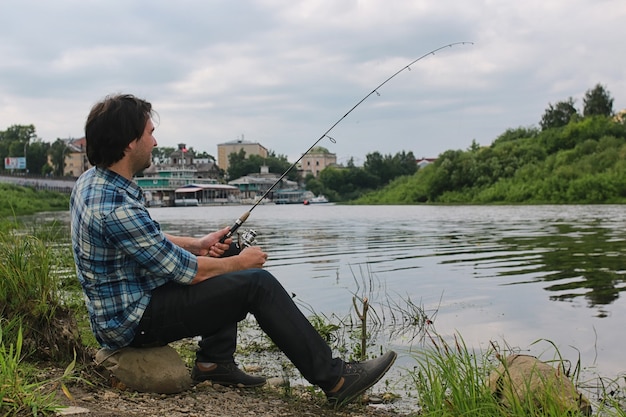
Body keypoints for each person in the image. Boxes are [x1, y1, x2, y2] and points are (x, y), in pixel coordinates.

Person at [70, 93, 396, 405]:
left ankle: (214, 363)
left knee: (222, 253)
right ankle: (336, 380)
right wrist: (243, 264)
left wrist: (198, 244)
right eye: (150, 134)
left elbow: (145, 239)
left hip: (133, 300)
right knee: (257, 283)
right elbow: (191, 273)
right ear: (130, 142)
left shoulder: (96, 182)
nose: (155, 142)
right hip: (131, 322)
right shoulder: (114, 205)